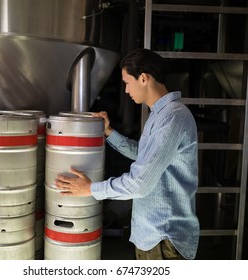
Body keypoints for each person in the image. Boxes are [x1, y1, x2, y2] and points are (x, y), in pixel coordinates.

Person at [55, 48, 200, 260]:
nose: (125, 90)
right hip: (152, 234)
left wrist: (90, 189)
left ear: (143, 78)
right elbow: (144, 155)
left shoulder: (172, 118)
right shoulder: (160, 115)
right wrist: (109, 132)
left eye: (127, 82)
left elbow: (139, 184)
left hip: (163, 238)